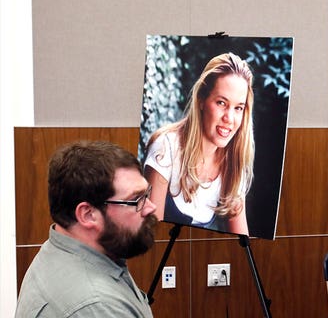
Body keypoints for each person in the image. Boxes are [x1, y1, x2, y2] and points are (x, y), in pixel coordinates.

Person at [15, 141, 157, 317]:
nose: (151, 207)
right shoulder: (97, 306)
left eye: (147, 194)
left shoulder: (58, 250)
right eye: (136, 200)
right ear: (88, 214)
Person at [145, 52, 254, 235]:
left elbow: (242, 242)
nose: (229, 118)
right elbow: (149, 239)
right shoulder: (166, 148)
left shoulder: (234, 166)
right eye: (221, 103)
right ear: (202, 100)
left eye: (238, 108)